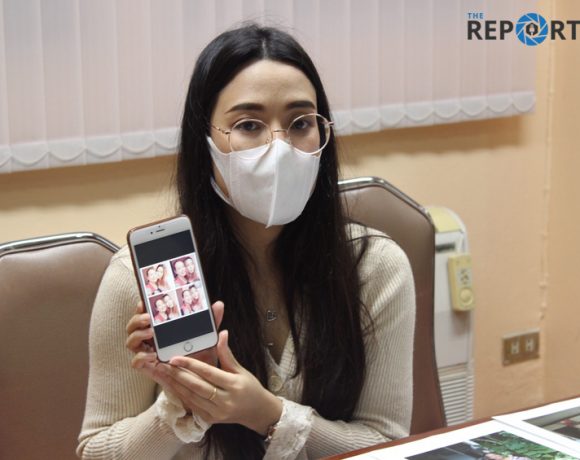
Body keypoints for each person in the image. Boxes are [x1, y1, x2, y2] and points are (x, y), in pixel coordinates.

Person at [77, 24, 415, 460]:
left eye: (301, 123)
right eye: (248, 125)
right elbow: (95, 452)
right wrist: (181, 403)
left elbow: (388, 445)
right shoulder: (142, 278)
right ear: (205, 141)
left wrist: (270, 415)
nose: (280, 147)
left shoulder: (374, 265)